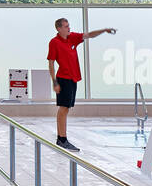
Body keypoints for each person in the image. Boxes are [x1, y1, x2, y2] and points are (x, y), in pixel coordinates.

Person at [47, 18, 114, 152]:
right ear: (58, 29)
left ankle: (62, 138)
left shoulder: (72, 38)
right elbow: (51, 63)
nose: (68, 28)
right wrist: (54, 82)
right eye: (66, 27)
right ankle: (62, 139)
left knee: (66, 109)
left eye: (68, 26)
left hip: (73, 78)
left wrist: (104, 30)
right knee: (63, 108)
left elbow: (89, 35)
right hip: (63, 79)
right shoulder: (54, 42)